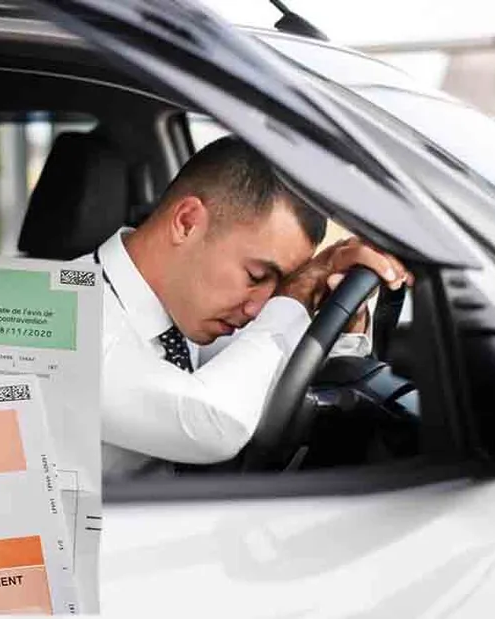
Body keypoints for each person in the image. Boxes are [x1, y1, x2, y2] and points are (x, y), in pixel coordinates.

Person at [94, 136, 411, 478]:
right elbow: (213, 421)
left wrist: (338, 316)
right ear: (186, 223)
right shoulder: (48, 315)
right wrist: (295, 293)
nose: (258, 309)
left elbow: (277, 371)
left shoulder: (184, 315)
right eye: (257, 275)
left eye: (277, 284)